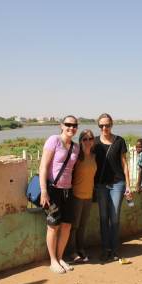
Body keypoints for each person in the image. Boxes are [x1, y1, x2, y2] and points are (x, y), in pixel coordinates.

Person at [39, 115, 80, 274]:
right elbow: (43, 167)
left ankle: (60, 257)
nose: (71, 127)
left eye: (74, 125)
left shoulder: (75, 147)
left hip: (67, 190)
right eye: (68, 124)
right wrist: (44, 190)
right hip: (53, 189)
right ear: (61, 125)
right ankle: (53, 261)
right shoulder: (53, 140)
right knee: (53, 226)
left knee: (67, 225)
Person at [94, 113, 131, 262]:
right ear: (99, 126)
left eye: (107, 125)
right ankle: (105, 248)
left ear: (112, 125)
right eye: (102, 125)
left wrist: (128, 184)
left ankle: (114, 248)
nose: (105, 128)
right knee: (103, 218)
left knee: (114, 217)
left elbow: (124, 164)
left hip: (117, 183)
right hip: (101, 184)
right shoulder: (95, 142)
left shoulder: (119, 141)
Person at [67, 129, 97, 263]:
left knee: (83, 225)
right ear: (80, 141)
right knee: (74, 226)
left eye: (90, 138)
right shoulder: (77, 156)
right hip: (77, 195)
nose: (88, 141)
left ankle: (81, 249)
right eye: (85, 139)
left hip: (89, 195)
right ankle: (72, 252)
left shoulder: (94, 156)